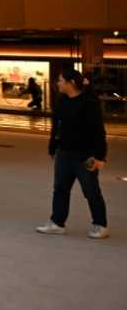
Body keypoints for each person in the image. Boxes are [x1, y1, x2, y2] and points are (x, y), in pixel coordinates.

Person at [36, 68, 109, 239]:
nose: (58, 83)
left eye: (61, 80)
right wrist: (53, 147)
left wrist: (100, 156)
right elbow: (57, 126)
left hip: (86, 155)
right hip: (64, 153)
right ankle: (57, 223)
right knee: (60, 188)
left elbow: (98, 131)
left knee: (91, 190)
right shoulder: (62, 100)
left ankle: (101, 224)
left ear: (71, 83)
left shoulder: (89, 103)